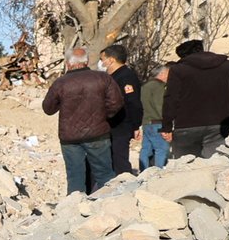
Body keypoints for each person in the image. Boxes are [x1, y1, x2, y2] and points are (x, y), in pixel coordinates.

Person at [42, 46, 123, 195]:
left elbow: (48, 109)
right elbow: (116, 103)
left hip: (70, 137)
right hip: (98, 133)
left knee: (75, 176)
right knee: (104, 174)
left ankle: (75, 206)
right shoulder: (103, 78)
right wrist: (103, 116)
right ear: (86, 62)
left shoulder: (60, 83)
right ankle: (109, 203)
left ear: (68, 63)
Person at [161, 39, 229, 160]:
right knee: (216, 164)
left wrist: (166, 126)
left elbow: (171, 98)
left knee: (186, 165)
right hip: (221, 124)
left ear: (183, 56)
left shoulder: (179, 70)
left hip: (186, 125)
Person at [98, 43, 142, 175]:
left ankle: (124, 182)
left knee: (119, 159)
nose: (101, 63)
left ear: (111, 60)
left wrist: (136, 125)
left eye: (102, 59)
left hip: (121, 124)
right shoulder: (111, 77)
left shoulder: (125, 76)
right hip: (109, 125)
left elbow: (133, 102)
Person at [138, 64, 171, 170]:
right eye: (168, 74)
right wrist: (167, 122)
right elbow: (160, 105)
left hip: (146, 122)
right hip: (158, 122)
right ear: (162, 74)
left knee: (146, 149)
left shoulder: (145, 86)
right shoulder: (159, 86)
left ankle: (143, 171)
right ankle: (158, 172)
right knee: (161, 149)